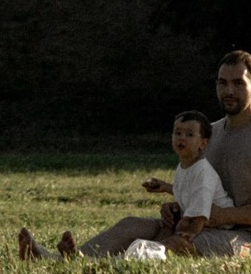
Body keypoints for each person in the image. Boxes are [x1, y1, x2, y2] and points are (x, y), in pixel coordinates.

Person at [28, 50, 251, 259]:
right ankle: (62, 260)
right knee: (131, 225)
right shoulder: (209, 133)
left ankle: (113, 267)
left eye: (238, 83)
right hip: (207, 225)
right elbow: (203, 187)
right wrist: (177, 207)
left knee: (184, 244)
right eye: (222, 83)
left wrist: (223, 216)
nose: (228, 91)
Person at [19, 109, 232, 260]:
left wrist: (180, 232)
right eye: (177, 133)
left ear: (203, 143)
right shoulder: (185, 166)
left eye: (189, 134)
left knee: (162, 243)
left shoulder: (203, 173)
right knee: (130, 222)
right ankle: (76, 256)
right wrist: (166, 188)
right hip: (187, 221)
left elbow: (200, 217)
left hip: (210, 230)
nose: (181, 138)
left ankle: (99, 264)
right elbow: (186, 191)